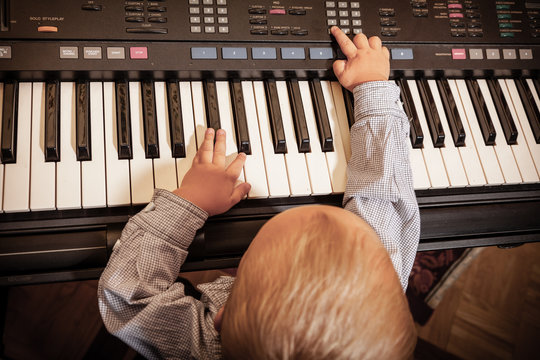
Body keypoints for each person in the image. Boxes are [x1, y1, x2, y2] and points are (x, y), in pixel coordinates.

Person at [98, 26, 420, 359]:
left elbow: (127, 296)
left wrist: (188, 203)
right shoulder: (378, 278)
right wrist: (373, 88)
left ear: (222, 319)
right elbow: (382, 195)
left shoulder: (206, 348)